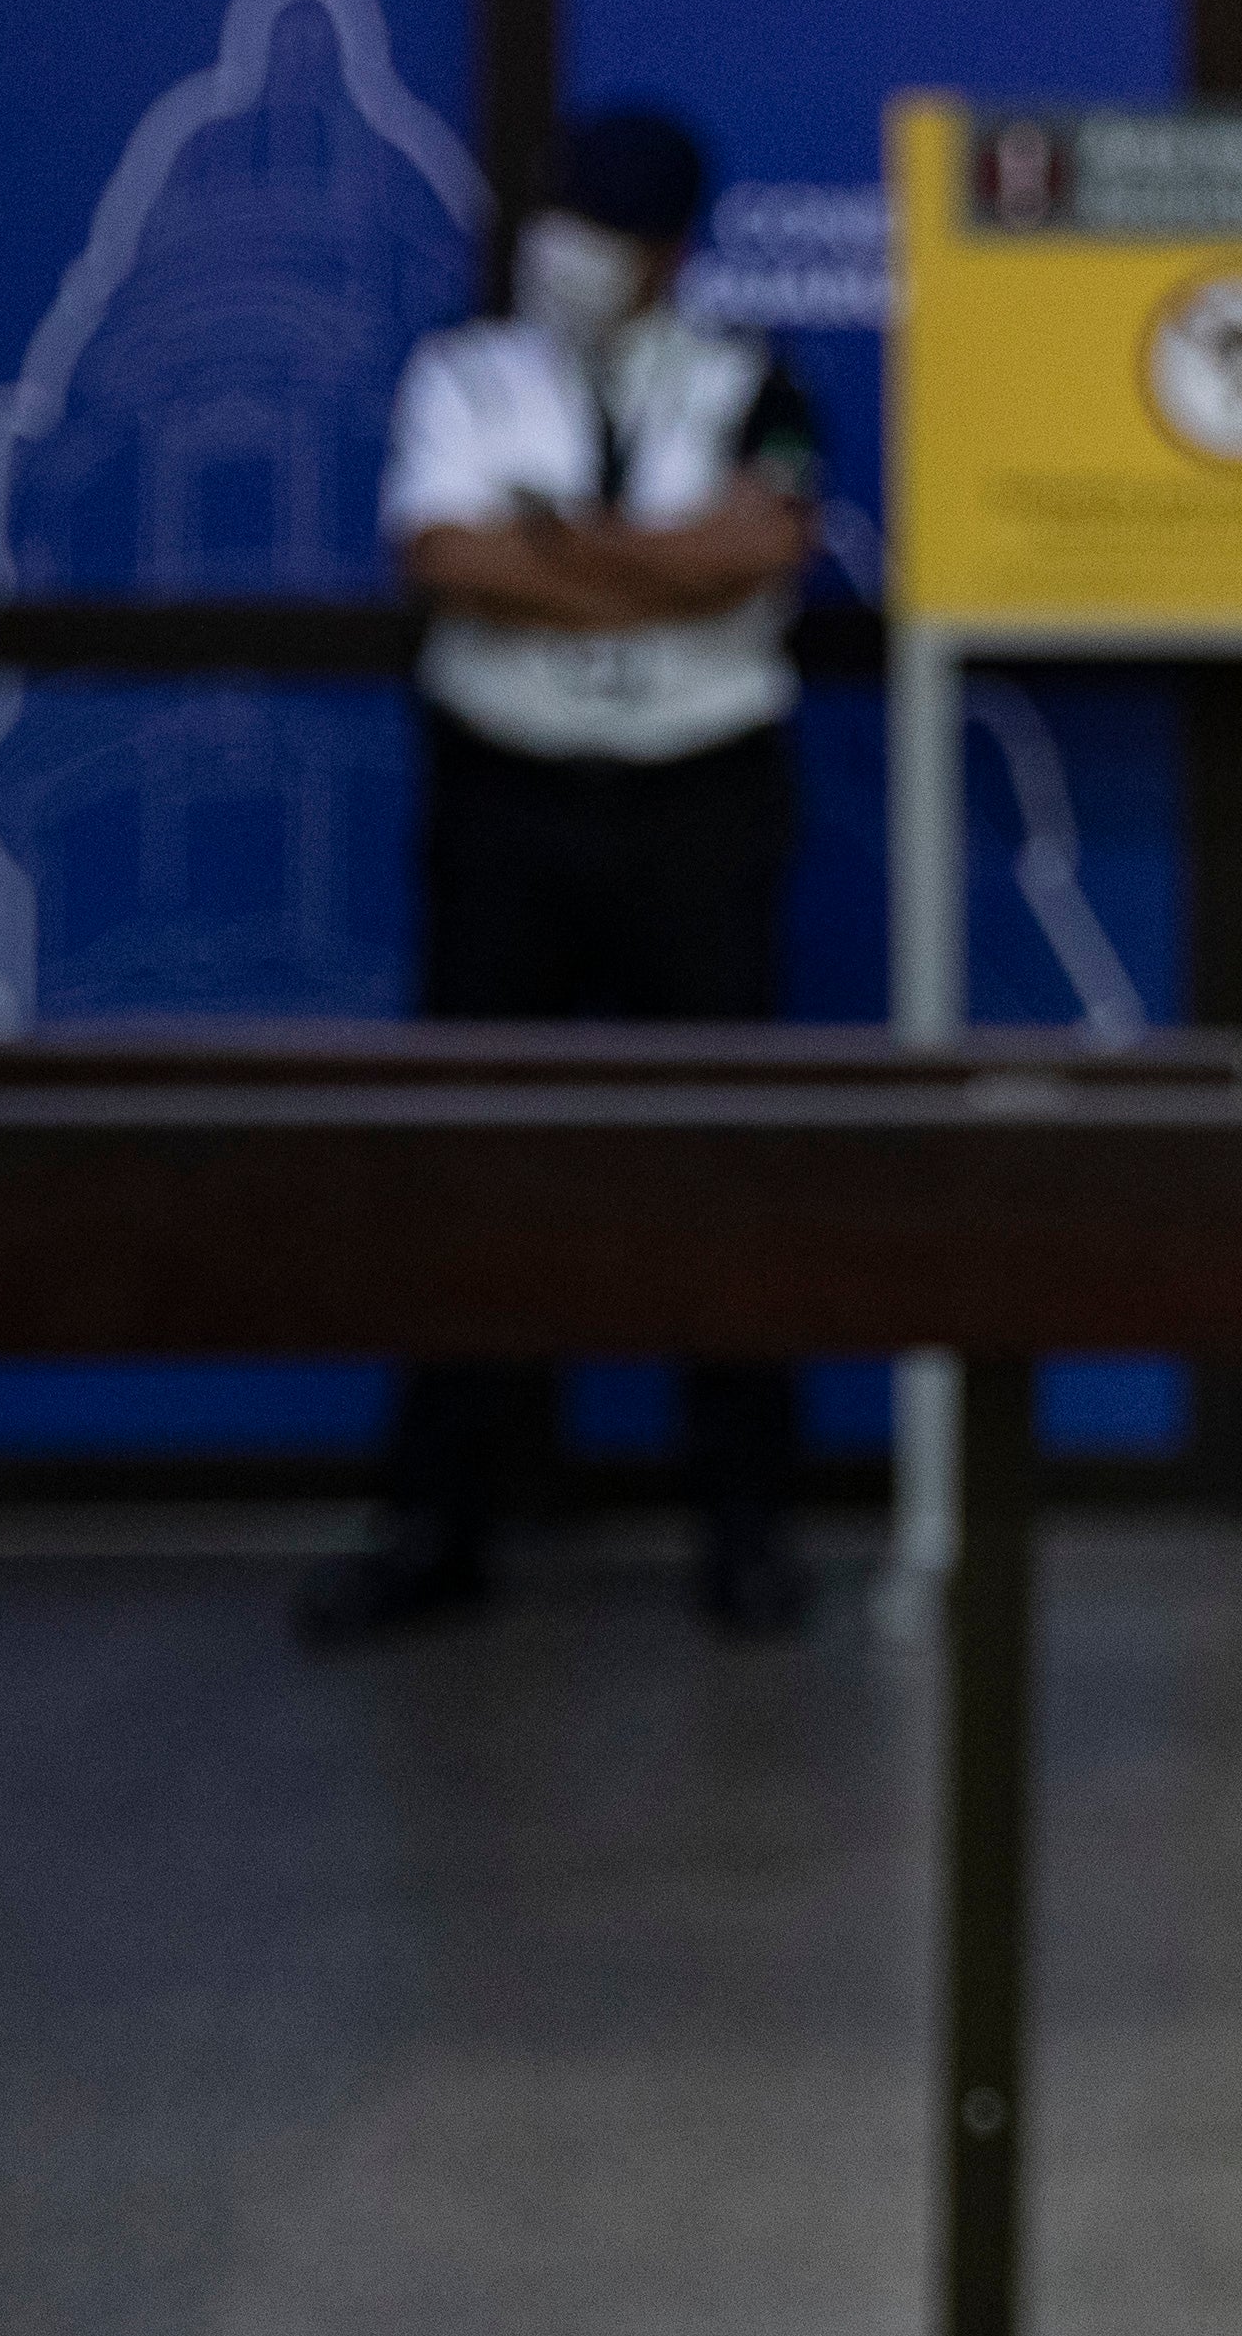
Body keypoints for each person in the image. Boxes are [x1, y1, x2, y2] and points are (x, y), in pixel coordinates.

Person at [297, 106, 827, 1644]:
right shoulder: (465, 376)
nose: (572, 248)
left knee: (723, 1163)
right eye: (564, 211)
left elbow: (762, 544)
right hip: (508, 802)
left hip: (701, 808)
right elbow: (449, 559)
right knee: (468, 1150)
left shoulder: (754, 379)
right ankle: (436, 1521)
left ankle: (744, 1528)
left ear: (670, 248)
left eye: (608, 224)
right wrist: (654, 557)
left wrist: (562, 545)